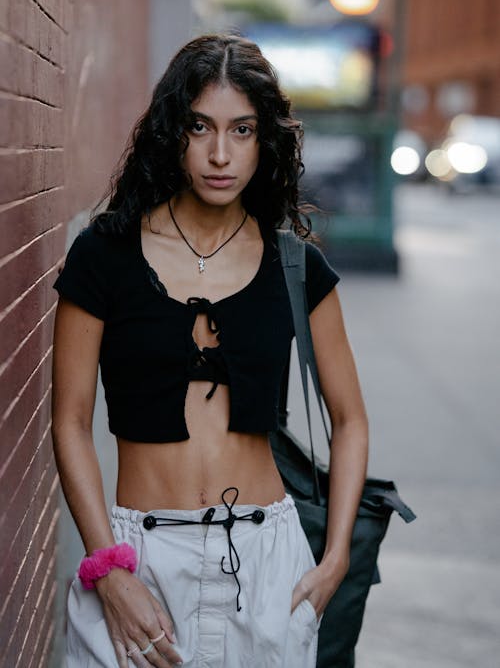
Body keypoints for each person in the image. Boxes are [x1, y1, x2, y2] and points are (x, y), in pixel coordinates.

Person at [52, 33, 369, 668]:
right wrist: (107, 569)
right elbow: (70, 421)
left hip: (267, 561)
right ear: (173, 132)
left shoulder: (294, 266)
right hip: (138, 558)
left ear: (265, 140)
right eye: (201, 127)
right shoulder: (105, 254)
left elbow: (351, 419)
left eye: (243, 130)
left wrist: (334, 559)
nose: (220, 153)